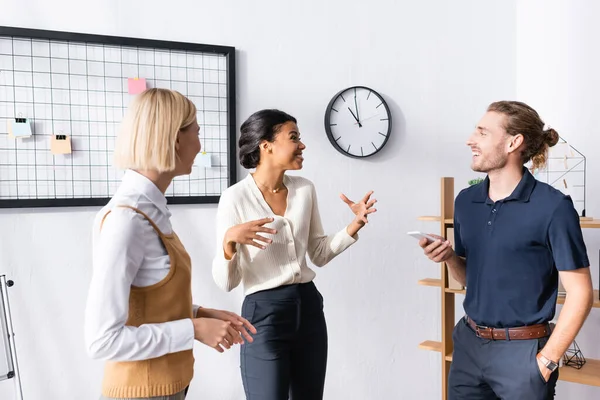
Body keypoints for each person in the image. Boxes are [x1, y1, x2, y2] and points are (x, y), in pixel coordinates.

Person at [84, 88, 256, 400]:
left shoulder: (150, 210)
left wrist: (200, 313)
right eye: (197, 132)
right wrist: (193, 328)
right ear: (176, 139)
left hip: (168, 386)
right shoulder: (127, 220)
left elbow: (144, 304)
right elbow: (103, 340)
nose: (200, 144)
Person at [419, 101, 594, 400]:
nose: (470, 140)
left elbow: (581, 293)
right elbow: (470, 279)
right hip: (468, 346)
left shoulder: (554, 207)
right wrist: (449, 258)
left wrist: (547, 360)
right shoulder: (465, 201)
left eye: (482, 132)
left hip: (523, 354)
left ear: (514, 143)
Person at [211, 109, 376, 400]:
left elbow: (319, 253)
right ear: (266, 145)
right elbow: (227, 282)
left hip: (309, 308)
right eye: (294, 138)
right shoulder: (235, 198)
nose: (302, 145)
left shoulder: (304, 190)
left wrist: (354, 225)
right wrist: (229, 242)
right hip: (264, 313)